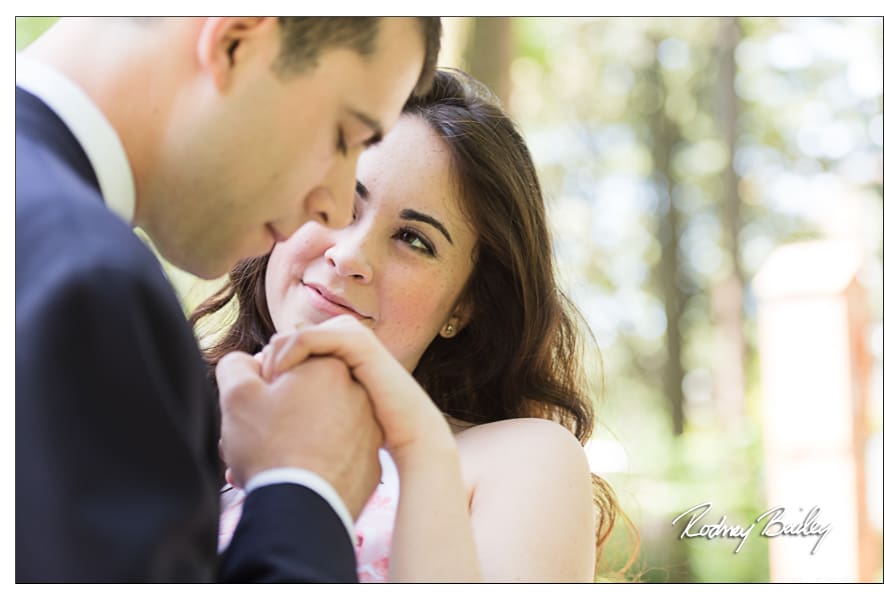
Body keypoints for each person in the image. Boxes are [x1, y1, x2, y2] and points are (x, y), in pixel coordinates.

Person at [16, 17, 441, 582]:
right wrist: (306, 487)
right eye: (344, 137)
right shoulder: (86, 282)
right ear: (236, 42)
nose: (335, 209)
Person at [191, 69, 635, 582]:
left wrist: (417, 446)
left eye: (413, 239)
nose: (349, 255)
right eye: (341, 201)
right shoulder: (168, 409)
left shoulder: (521, 460)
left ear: (463, 307)